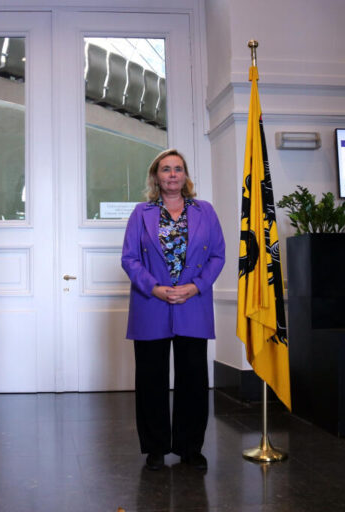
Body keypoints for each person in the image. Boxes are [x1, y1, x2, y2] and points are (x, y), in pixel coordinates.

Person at [121, 149, 225, 471]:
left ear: (185, 175)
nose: (172, 174)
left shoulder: (205, 211)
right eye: (166, 169)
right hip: (151, 303)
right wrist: (154, 287)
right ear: (156, 176)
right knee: (151, 379)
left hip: (192, 304)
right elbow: (129, 258)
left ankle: (190, 448)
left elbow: (218, 255)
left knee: (193, 379)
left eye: (178, 169)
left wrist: (195, 287)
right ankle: (155, 449)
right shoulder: (141, 213)